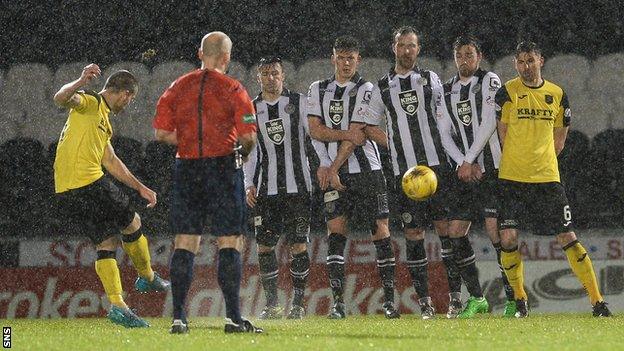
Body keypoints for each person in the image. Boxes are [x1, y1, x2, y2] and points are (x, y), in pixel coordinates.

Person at [354, 26, 469, 319]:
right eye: (402, 45)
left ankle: (455, 298)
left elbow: (444, 120)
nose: (407, 50)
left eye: (412, 46)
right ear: (394, 48)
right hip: (404, 174)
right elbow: (367, 125)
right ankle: (426, 302)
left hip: (437, 168)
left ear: (419, 49)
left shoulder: (431, 79)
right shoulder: (382, 86)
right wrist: (394, 144)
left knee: (445, 232)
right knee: (414, 234)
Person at [153, 31, 263, 333]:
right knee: (229, 240)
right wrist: (240, 150)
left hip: (187, 168)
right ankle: (232, 318)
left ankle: (178, 317)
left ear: (200, 53)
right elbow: (248, 137)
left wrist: (188, 141)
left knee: (185, 241)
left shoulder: (176, 87)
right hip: (223, 168)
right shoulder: (234, 88)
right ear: (227, 57)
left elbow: (161, 134)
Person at [495, 41, 612, 318]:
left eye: (531, 61)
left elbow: (560, 139)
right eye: (521, 61)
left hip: (547, 178)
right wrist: (520, 158)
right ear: (515, 64)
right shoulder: (507, 92)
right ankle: (521, 300)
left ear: (541, 61)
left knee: (568, 236)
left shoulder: (557, 94)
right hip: (512, 177)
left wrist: (540, 158)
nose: (526, 66)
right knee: (509, 237)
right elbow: (503, 134)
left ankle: (597, 302)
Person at [53, 64, 170, 328]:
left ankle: (118, 306)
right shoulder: (91, 102)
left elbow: (111, 161)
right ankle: (147, 276)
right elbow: (60, 98)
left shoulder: (102, 120)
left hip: (68, 190)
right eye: (130, 98)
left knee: (106, 242)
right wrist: (81, 81)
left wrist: (140, 187)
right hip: (87, 182)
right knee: (133, 222)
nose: (128, 103)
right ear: (125, 93)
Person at [307, 36, 400, 319]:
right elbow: (315, 131)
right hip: (335, 172)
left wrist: (332, 166)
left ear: (358, 60)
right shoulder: (317, 89)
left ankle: (389, 303)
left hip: (367, 172)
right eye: (341, 57)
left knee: (380, 232)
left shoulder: (366, 88)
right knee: (335, 234)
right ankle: (338, 305)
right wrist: (339, 148)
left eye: (351, 58)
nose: (346, 63)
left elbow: (358, 132)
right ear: (333, 57)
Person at [244, 56, 324, 319]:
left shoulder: (299, 102)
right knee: (264, 247)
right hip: (266, 190)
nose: (271, 78)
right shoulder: (250, 109)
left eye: (275, 73)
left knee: (298, 245)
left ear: (283, 76)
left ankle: (299, 305)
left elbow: (314, 139)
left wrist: (325, 165)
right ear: (258, 78)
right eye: (265, 74)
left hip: (298, 188)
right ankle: (272, 305)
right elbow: (251, 152)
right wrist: (248, 183)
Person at [440, 35, 514, 318]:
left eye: (469, 54)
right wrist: (463, 163)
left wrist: (469, 160)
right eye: (459, 55)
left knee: (498, 234)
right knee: (455, 232)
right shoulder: (447, 90)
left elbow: (488, 123)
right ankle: (477, 298)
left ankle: (512, 297)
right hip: (465, 171)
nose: (464, 60)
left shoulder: (489, 80)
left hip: (492, 168)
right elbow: (444, 132)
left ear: (478, 56)